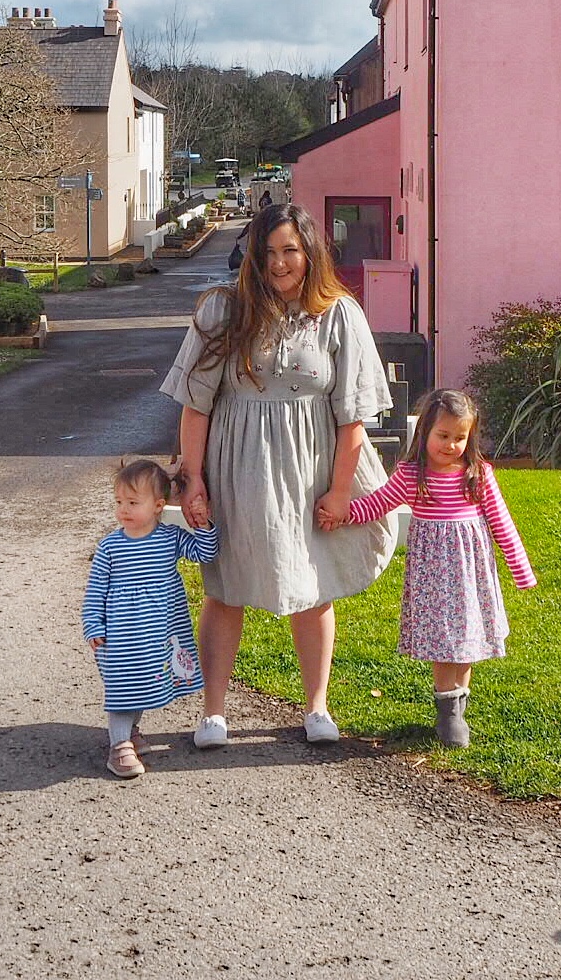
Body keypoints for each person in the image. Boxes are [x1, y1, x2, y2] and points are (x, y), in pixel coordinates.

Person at [162, 202, 396, 748]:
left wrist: (341, 493)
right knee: (226, 586)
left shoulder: (341, 314)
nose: (279, 263)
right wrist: (192, 480)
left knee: (314, 584)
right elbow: (195, 406)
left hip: (313, 466)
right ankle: (214, 712)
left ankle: (317, 707)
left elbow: (352, 415)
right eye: (267, 252)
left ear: (309, 252)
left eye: (290, 250)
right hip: (238, 462)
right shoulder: (223, 311)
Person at [318, 389, 535, 748]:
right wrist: (343, 514)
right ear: (426, 433)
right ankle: (447, 712)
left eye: (459, 438)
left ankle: (457, 709)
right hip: (434, 574)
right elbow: (377, 505)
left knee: (467, 639)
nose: (450, 445)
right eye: (443, 436)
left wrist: (520, 567)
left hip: (470, 572)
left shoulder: (477, 475)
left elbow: (501, 522)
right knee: (442, 642)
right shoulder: (411, 474)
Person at [81, 459, 219, 779]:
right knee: (122, 687)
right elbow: (95, 590)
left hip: (159, 632)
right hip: (121, 633)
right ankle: (119, 747)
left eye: (132, 502)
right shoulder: (111, 547)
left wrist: (203, 524)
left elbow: (206, 553)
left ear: (158, 506)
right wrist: (93, 624)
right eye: (119, 502)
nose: (123, 510)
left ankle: (131, 731)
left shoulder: (170, 538)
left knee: (144, 682)